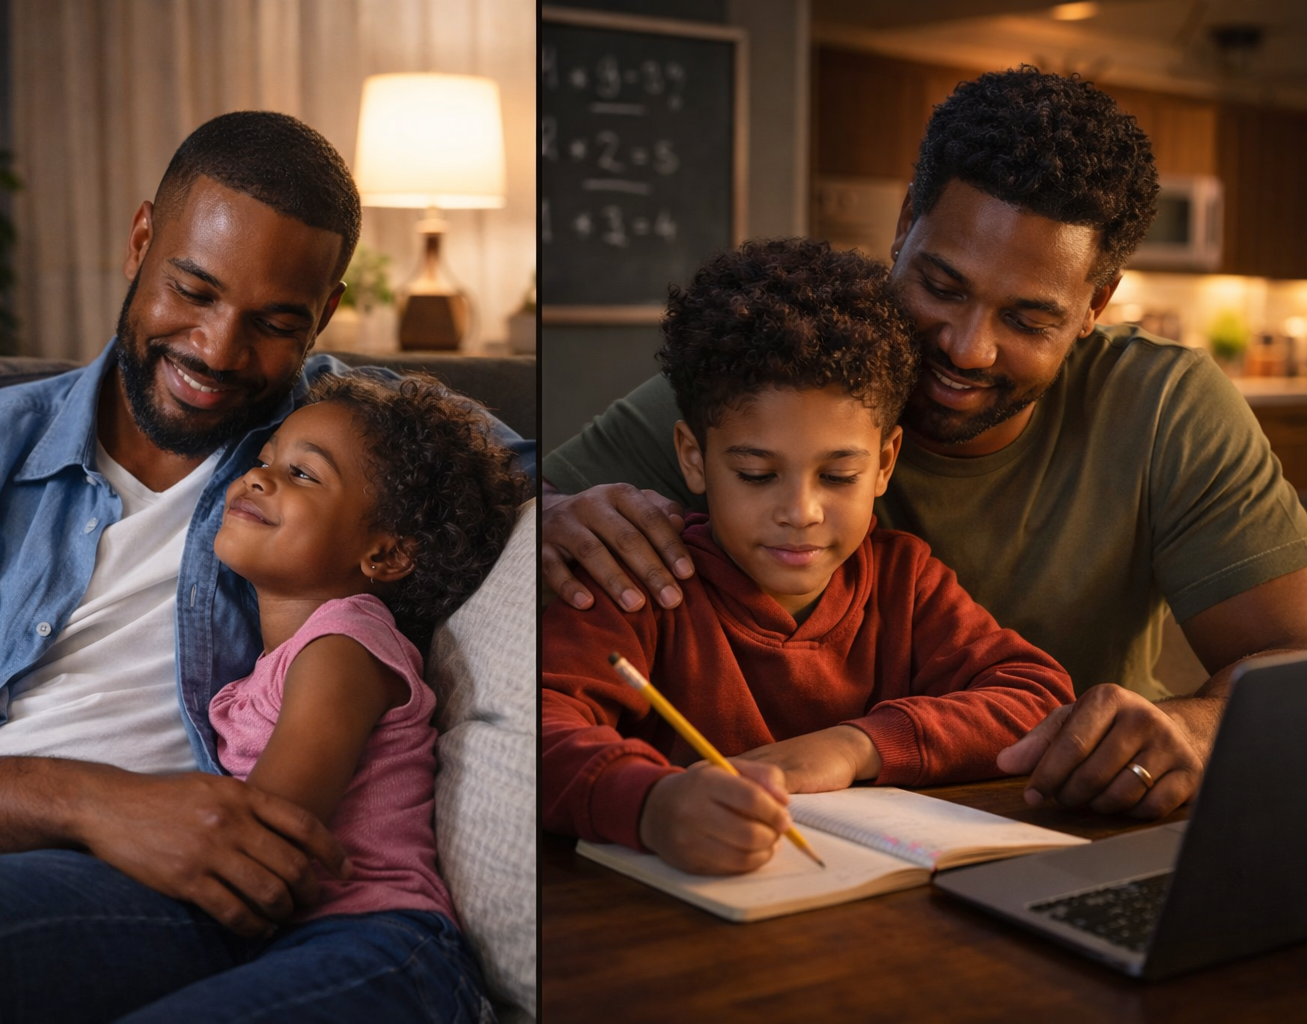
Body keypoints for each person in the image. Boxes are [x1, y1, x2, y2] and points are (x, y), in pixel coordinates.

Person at [0, 112, 532, 1021]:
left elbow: (521, 481)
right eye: (194, 290)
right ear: (141, 241)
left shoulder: (356, 444)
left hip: (162, 890)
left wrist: (591, 503)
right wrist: (96, 802)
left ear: (322, 316)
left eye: (273, 322)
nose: (216, 350)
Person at [540, 66, 1307, 821]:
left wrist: (1192, 729)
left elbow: (1289, 669)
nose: (969, 348)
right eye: (942, 287)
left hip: (1045, 832)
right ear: (905, 225)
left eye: (1028, 319)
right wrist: (543, 516)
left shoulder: (1166, 408)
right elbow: (509, 509)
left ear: (1094, 305)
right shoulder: (777, 376)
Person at [542, 239, 1074, 875]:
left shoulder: (905, 581)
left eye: (839, 476)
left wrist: (854, 747)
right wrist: (652, 804)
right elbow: (538, 732)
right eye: (757, 474)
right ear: (694, 457)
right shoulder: (641, 585)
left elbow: (1035, 696)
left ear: (884, 462)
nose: (801, 511)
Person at [146, 371, 525, 1020]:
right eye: (266, 461)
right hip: (298, 941)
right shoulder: (268, 668)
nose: (259, 477)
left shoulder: (344, 647)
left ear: (385, 553)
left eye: (304, 475)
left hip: (383, 944)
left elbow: (269, 826)